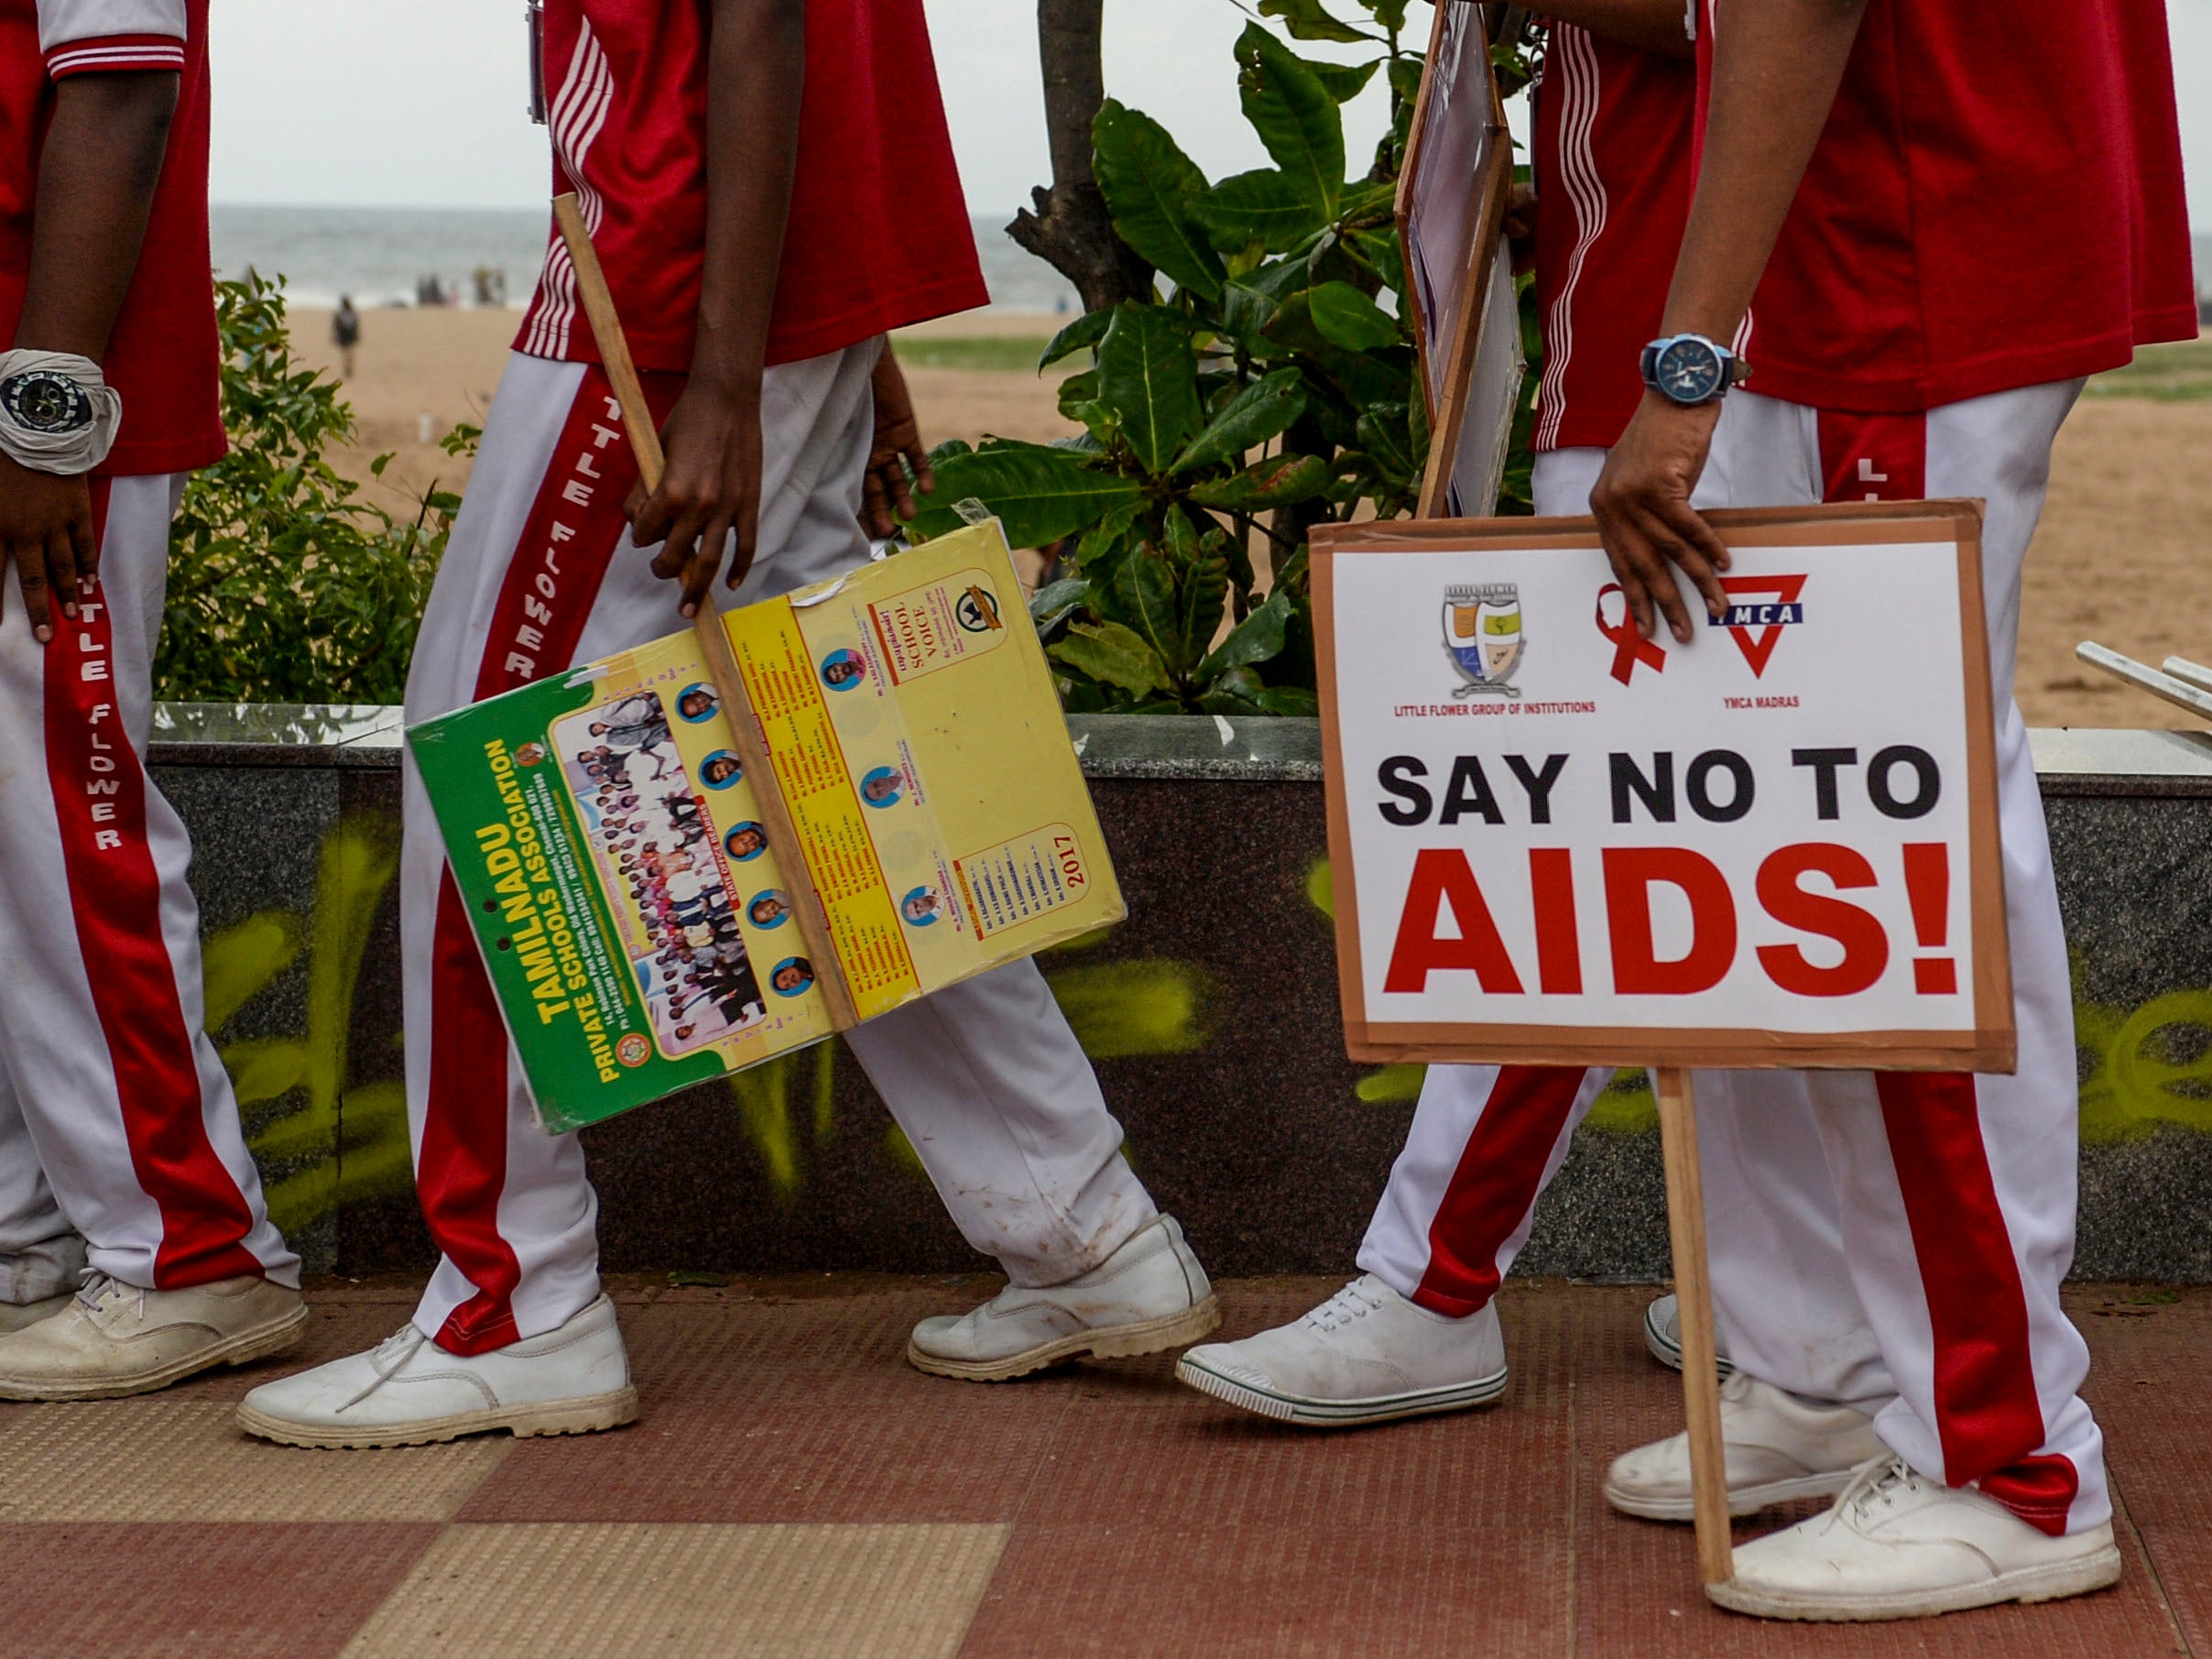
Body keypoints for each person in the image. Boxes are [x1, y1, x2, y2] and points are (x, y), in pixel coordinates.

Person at [238, 0, 1217, 1450]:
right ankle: (1079, 1227)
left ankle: (512, 1299)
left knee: (487, 760)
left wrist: (717, 383)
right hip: (748, 291)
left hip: (666, 295)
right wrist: (836, 341)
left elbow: (753, 16)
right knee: (818, 767)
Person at [0, 0, 304, 1397]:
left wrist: (42, 422)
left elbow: (122, 86)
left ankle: (194, 1251)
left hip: (42, 414)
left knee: (69, 824)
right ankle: (29, 1235)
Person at [332, 294, 360, 378]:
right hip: (348, 334)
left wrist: (334, 335)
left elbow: (335, 326)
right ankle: (348, 368)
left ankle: (348, 368)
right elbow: (356, 326)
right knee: (349, 353)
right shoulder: (352, 313)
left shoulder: (340, 314)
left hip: (345, 334)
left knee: (346, 353)